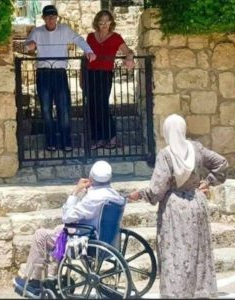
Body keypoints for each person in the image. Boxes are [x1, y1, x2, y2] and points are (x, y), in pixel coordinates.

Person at [129, 114, 228, 299]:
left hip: (175, 208)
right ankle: (198, 291)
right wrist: (208, 182)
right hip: (196, 203)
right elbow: (221, 163)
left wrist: (141, 194)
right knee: (197, 249)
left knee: (175, 250)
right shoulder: (196, 148)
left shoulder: (166, 155)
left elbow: (157, 190)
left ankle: (177, 293)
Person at [13, 160, 125, 297]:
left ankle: (34, 282)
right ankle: (54, 276)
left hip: (86, 240)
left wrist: (75, 192)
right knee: (58, 230)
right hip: (104, 238)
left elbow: (67, 216)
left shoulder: (93, 198)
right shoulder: (116, 196)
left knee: (41, 235)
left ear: (91, 177)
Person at [25, 5, 96, 152]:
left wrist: (89, 51)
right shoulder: (37, 31)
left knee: (64, 108)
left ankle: (66, 141)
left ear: (57, 18)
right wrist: (29, 46)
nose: (51, 19)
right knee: (45, 109)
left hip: (59, 73)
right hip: (43, 73)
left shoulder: (64, 29)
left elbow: (78, 39)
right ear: (43, 18)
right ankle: (51, 141)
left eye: (53, 16)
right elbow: (27, 45)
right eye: (48, 17)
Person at [83, 9, 135, 150]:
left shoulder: (116, 37)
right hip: (90, 74)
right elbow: (85, 57)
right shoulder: (90, 37)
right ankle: (97, 139)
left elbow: (128, 51)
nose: (104, 24)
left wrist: (129, 58)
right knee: (92, 106)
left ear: (111, 22)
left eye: (107, 21)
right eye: (101, 21)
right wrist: (82, 78)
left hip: (105, 74)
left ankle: (111, 137)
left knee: (102, 105)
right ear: (97, 23)